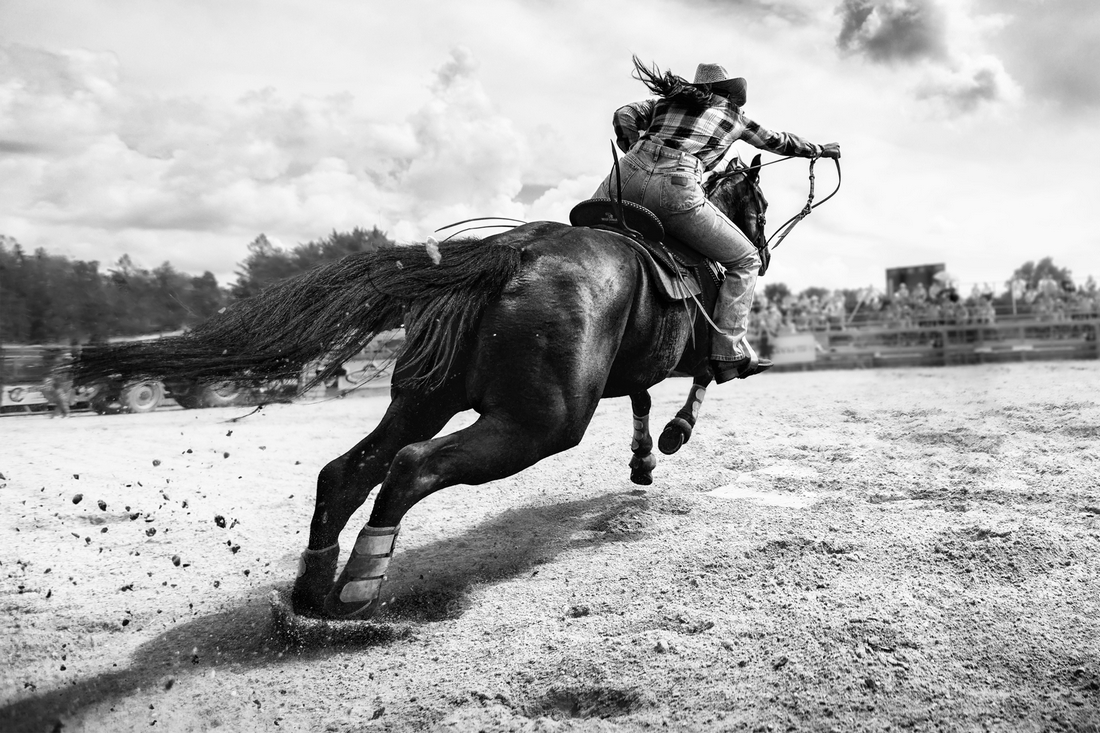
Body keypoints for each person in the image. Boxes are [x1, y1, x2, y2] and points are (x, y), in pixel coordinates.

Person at [594, 57, 840, 382]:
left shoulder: (665, 102)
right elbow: (779, 141)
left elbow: (623, 114)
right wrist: (819, 150)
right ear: (728, 91)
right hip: (676, 186)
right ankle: (728, 352)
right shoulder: (733, 116)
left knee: (586, 246)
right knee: (747, 260)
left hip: (621, 179)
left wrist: (632, 147)